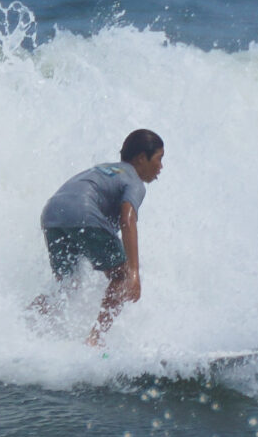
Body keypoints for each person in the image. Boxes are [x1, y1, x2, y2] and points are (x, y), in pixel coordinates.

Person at [36, 129, 164, 344]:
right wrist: (133, 272)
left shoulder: (106, 169)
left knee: (67, 285)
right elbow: (127, 219)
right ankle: (95, 339)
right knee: (121, 276)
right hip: (83, 211)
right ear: (142, 158)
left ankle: (25, 322)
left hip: (52, 214)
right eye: (159, 159)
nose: (161, 167)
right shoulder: (134, 181)